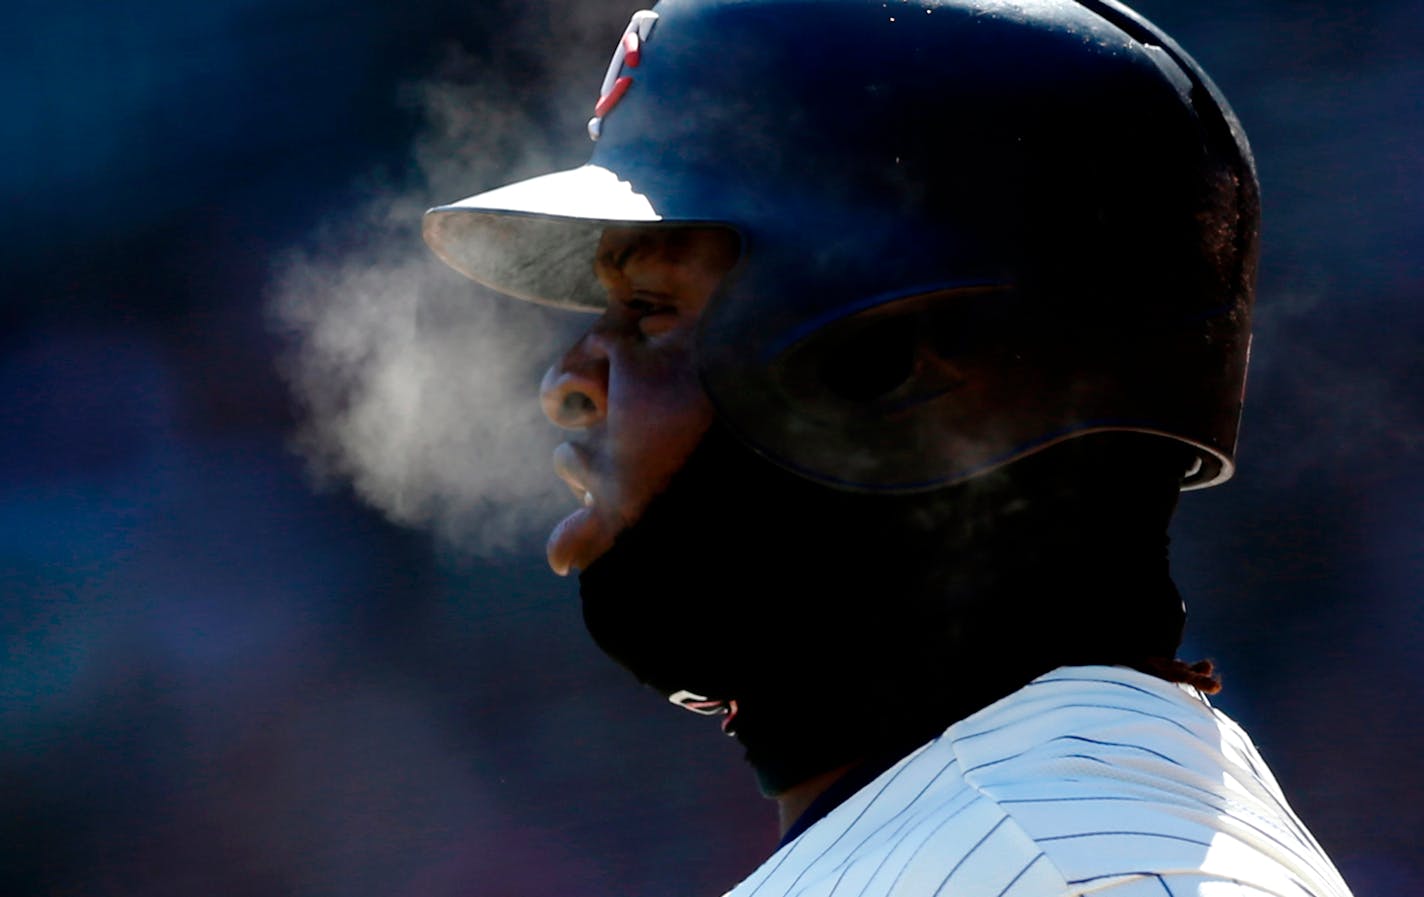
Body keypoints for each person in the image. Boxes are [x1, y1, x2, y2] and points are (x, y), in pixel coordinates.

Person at [423, 0, 1356, 894]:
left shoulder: (1070, 871)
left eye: (652, 311)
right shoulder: (1008, 837)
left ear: (893, 366)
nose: (570, 380)